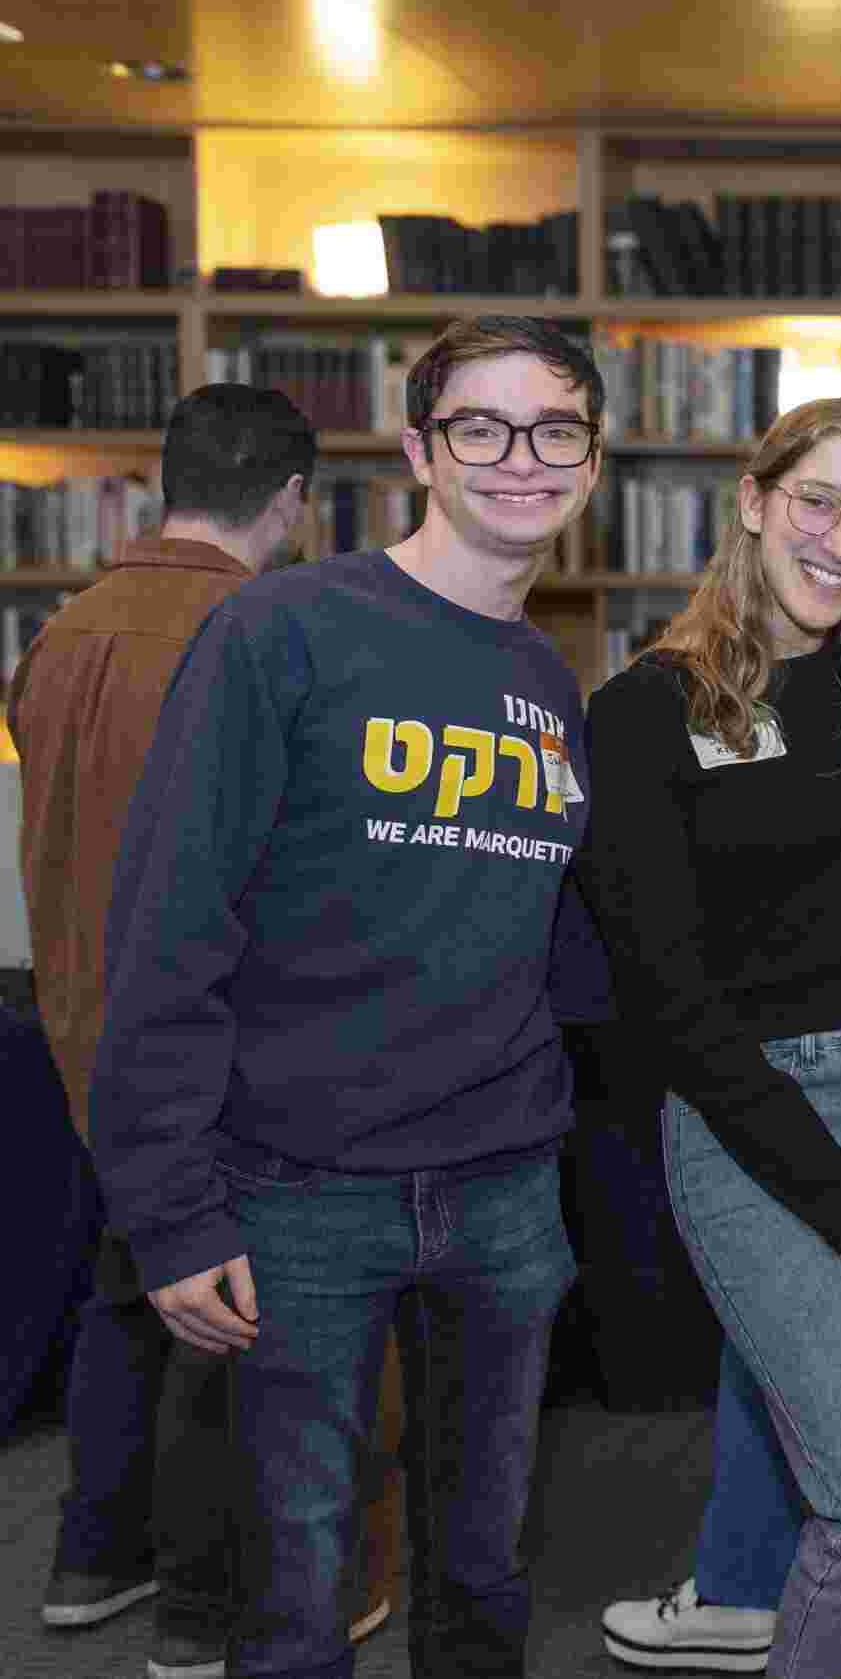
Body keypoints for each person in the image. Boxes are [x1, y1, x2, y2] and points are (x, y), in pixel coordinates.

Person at [85, 315, 605, 1679]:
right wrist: (170, 1205)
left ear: (591, 463)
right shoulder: (284, 629)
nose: (520, 457)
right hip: (299, 1195)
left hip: (504, 1193)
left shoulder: (552, 685)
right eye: (481, 426)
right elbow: (168, 921)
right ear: (420, 448)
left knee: (484, 1574)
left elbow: (539, 939)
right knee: (295, 1598)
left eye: (556, 428)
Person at [574, 398, 841, 1679]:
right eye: (817, 500)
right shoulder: (645, 712)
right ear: (754, 501)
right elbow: (667, 1001)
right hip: (762, 1124)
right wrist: (831, 1189)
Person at [11, 384, 401, 1678]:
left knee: (127, 1289)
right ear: (293, 496)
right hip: (220, 1036)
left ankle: (88, 1555)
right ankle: (199, 1605)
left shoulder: (63, 630)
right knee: (228, 1326)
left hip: (78, 1017)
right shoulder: (256, 629)